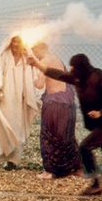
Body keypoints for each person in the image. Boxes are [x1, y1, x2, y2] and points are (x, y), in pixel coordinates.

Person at [26, 50, 102, 196]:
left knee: (85, 148)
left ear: (81, 67)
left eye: (74, 68)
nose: (72, 71)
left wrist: (101, 112)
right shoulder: (78, 78)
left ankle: (95, 184)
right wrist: (37, 64)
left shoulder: (100, 78)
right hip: (100, 125)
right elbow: (56, 74)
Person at [0, 33, 44, 171]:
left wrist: (30, 94)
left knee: (17, 128)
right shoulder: (4, 57)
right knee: (2, 127)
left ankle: (11, 162)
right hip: (6, 98)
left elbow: (34, 73)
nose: (16, 45)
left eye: (19, 42)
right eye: (14, 42)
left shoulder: (25, 58)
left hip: (20, 101)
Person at [29, 41, 82, 179]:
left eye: (34, 52)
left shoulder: (45, 61)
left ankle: (50, 171)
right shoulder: (58, 59)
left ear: (38, 50)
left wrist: (32, 77)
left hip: (54, 103)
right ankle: (76, 168)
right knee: (67, 136)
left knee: (49, 135)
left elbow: (40, 85)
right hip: (68, 102)